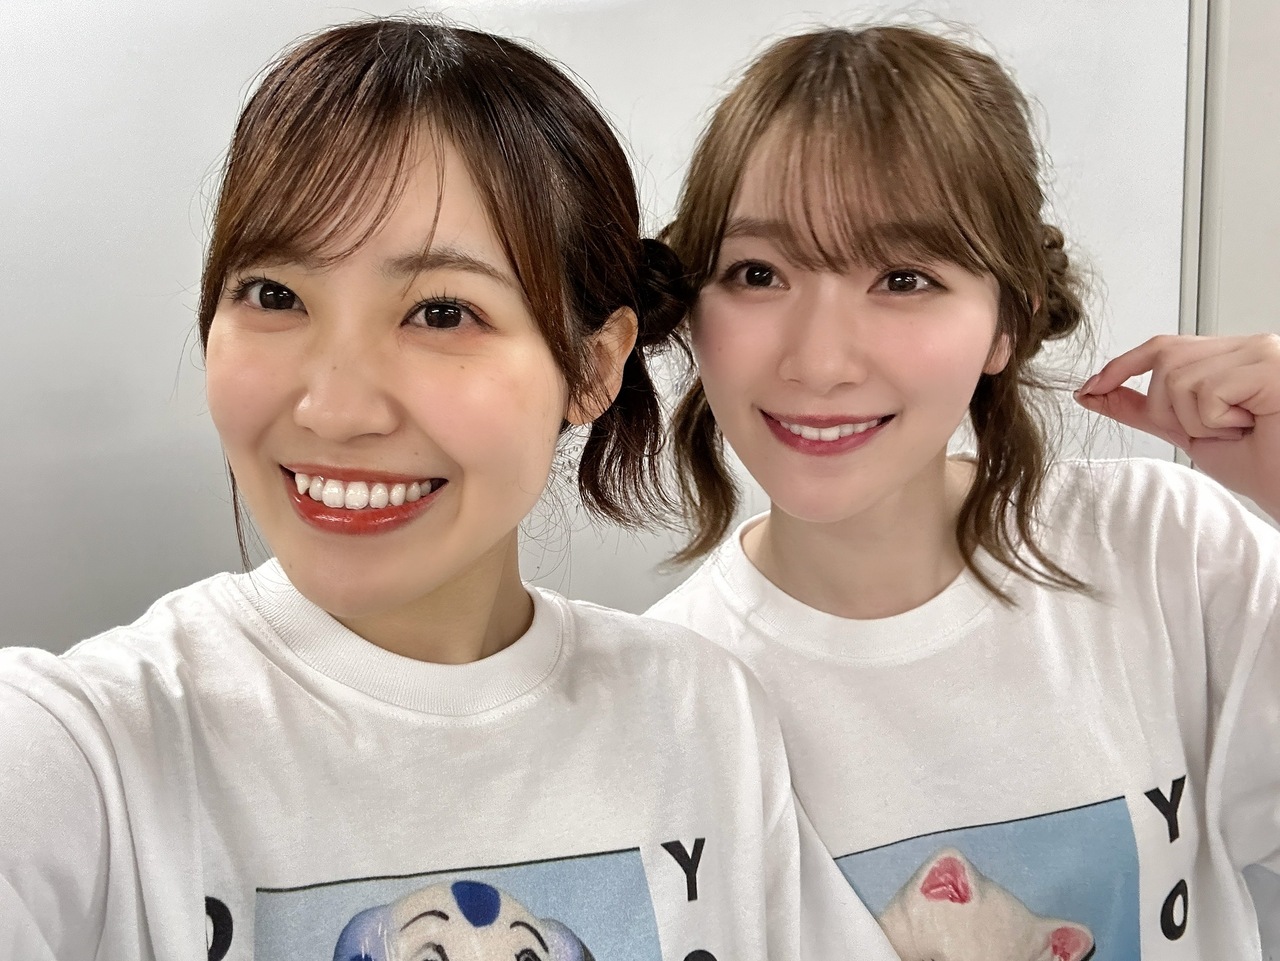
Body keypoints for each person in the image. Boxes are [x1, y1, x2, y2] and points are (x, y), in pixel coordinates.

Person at [0, 18, 899, 960]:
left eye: (440, 312)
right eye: (274, 295)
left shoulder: (702, 715)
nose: (335, 408)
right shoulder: (95, 751)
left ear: (593, 366)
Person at [646, 23, 1280, 960]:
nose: (819, 361)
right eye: (758, 274)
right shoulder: (667, 694)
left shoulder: (1166, 553)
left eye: (903, 278)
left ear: (1006, 324)